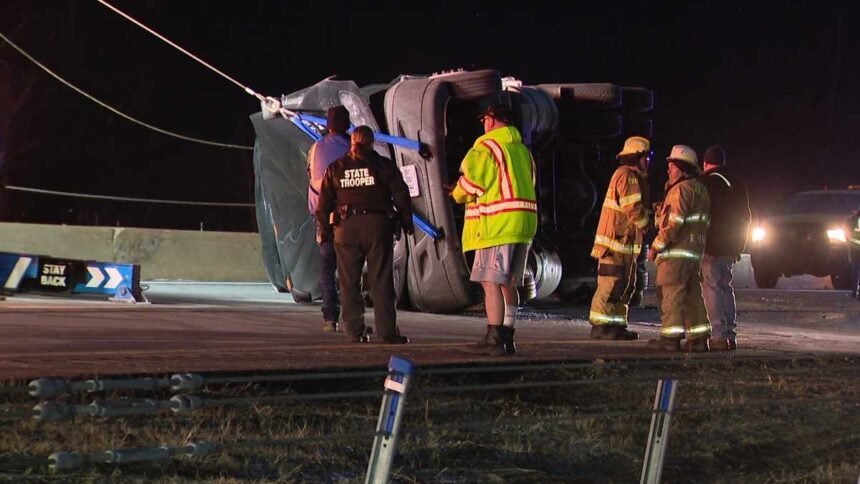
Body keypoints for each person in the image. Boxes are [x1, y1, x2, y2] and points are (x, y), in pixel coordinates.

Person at [450, 104, 538, 356]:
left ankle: (494, 338)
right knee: (508, 283)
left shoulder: (486, 147)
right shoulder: (522, 150)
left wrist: (457, 193)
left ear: (490, 121)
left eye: (485, 119)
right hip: (523, 225)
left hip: (497, 224)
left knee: (490, 282)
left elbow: (473, 183)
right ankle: (508, 337)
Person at [316, 125, 414, 344]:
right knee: (381, 280)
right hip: (378, 227)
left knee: (348, 282)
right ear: (371, 142)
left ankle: (353, 330)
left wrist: (324, 230)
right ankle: (387, 332)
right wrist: (406, 222)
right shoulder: (383, 166)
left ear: (352, 142)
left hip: (346, 229)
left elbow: (323, 205)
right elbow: (400, 194)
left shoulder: (336, 167)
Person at [647, 145, 712, 352]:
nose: (668, 170)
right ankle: (699, 339)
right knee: (692, 295)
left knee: (671, 295)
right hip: (693, 253)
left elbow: (672, 224)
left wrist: (656, 246)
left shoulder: (681, 190)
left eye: (672, 166)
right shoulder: (699, 188)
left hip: (676, 253)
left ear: (683, 168)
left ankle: (670, 340)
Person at [588, 136, 651, 340]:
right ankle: (600, 326)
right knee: (611, 284)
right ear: (636, 157)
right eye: (645, 156)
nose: (647, 161)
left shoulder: (633, 177)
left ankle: (616, 325)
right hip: (615, 244)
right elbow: (632, 208)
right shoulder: (626, 176)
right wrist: (648, 223)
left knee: (624, 286)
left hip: (625, 245)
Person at [699, 145, 751, 351]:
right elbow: (746, 216)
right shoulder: (738, 183)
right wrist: (740, 244)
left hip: (711, 245)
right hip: (731, 245)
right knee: (725, 288)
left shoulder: (704, 183)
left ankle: (719, 335)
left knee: (711, 289)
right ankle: (730, 334)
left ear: (705, 163)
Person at [308, 106, 351, 332]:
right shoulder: (353, 148)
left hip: (322, 217)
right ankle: (352, 318)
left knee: (326, 267)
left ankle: (330, 318)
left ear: (328, 124)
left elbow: (311, 177)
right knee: (348, 269)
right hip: (347, 217)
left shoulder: (315, 148)